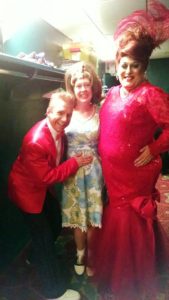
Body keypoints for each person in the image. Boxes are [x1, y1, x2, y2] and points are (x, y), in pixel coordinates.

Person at [91, 1, 169, 300]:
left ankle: (133, 274)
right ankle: (123, 266)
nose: (127, 71)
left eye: (134, 66)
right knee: (119, 218)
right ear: (117, 63)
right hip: (114, 174)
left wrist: (155, 146)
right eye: (123, 64)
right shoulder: (113, 92)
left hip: (136, 172)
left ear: (144, 68)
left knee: (129, 220)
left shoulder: (151, 94)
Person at [8, 90, 93, 300]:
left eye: (68, 115)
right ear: (48, 112)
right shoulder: (35, 141)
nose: (64, 120)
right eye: (60, 113)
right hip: (26, 191)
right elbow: (46, 177)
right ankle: (54, 291)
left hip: (39, 188)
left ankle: (34, 257)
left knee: (55, 221)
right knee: (44, 238)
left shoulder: (57, 131)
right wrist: (74, 163)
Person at [62, 61, 103, 276]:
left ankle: (93, 254)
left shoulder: (100, 110)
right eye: (78, 85)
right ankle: (80, 252)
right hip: (72, 171)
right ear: (72, 87)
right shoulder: (66, 111)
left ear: (92, 86)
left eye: (87, 85)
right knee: (77, 215)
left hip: (96, 171)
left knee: (93, 216)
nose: (83, 89)